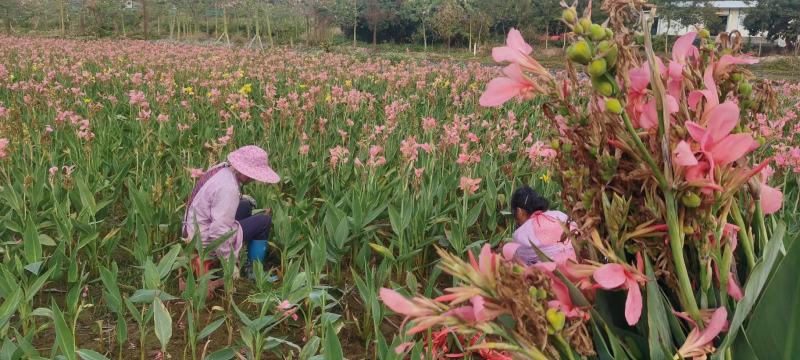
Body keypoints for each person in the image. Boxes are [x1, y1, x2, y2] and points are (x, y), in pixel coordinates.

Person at [183, 145, 280, 281]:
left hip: (193, 229)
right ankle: (253, 271)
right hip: (205, 241)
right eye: (253, 175)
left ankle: (242, 255)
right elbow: (218, 232)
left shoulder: (221, 169)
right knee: (263, 221)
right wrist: (229, 262)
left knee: (245, 206)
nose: (254, 179)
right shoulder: (229, 188)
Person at [508, 186, 577, 264]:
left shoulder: (520, 235)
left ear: (519, 211)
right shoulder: (560, 215)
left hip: (550, 273)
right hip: (578, 266)